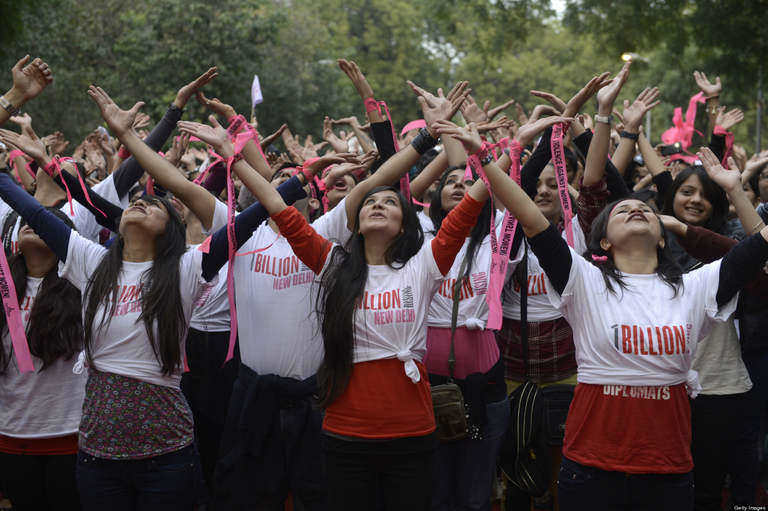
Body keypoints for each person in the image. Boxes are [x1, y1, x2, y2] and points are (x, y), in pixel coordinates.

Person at [456, 88, 768, 508]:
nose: (635, 209)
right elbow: (528, 217)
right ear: (603, 240)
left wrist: (734, 189)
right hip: (590, 467)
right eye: (622, 210)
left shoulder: (696, 286)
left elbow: (757, 249)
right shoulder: (585, 281)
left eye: (645, 211)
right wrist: (486, 159)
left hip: (668, 468)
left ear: (662, 237)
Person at [0, 209, 85, 511]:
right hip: (12, 436)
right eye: (27, 222)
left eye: (45, 222)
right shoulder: (2, 285)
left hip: (71, 437)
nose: (31, 225)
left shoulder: (84, 287)